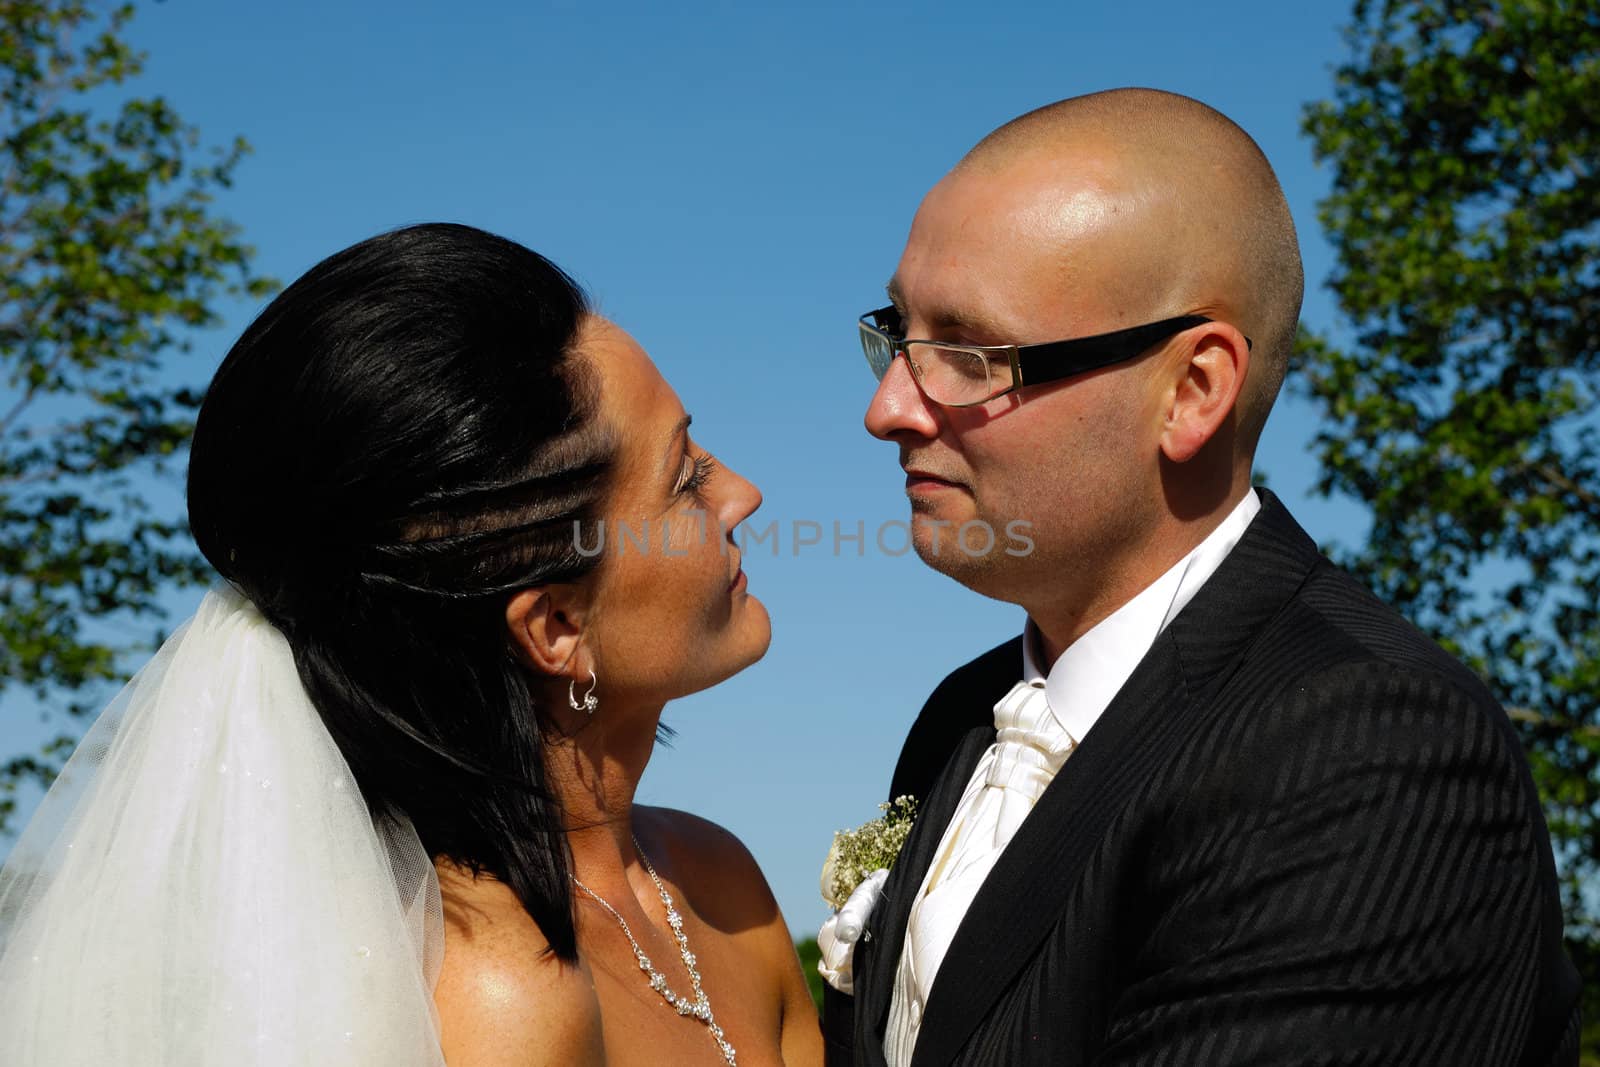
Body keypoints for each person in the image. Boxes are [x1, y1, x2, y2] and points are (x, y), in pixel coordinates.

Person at [820, 89, 1581, 1066]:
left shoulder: (1368, 744)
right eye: (897, 332)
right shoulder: (958, 716)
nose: (888, 409)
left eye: (968, 353)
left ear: (1191, 391)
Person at [0, 223, 823, 1066]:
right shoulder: (496, 993)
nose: (744, 495)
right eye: (686, 476)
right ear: (556, 628)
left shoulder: (722, 881)